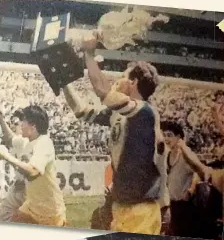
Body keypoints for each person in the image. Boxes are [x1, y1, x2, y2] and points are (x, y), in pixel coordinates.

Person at [63, 34, 162, 234]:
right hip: (122, 207)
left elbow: (102, 91)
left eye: (124, 76)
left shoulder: (144, 112)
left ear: (134, 82)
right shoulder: (119, 114)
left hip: (141, 209)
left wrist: (89, 53)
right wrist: (64, 83)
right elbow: (82, 111)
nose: (119, 80)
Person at [0, 105, 66, 226]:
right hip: (32, 206)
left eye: (24, 121)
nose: (21, 124)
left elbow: (33, 171)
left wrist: (7, 156)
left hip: (49, 210)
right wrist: (0, 118)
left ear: (33, 125)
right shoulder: (27, 141)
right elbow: (10, 138)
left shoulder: (44, 142)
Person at [160, 121, 207, 238]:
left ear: (178, 137)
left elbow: (197, 172)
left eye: (169, 135)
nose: (166, 138)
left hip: (186, 205)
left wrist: (191, 189)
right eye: (164, 135)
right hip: (174, 204)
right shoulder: (167, 155)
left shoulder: (186, 155)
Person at [0, 108, 27, 222]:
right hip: (21, 186)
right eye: (13, 123)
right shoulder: (19, 141)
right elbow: (10, 137)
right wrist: (1, 119)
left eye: (16, 123)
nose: (13, 126)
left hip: (28, 187)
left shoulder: (25, 141)